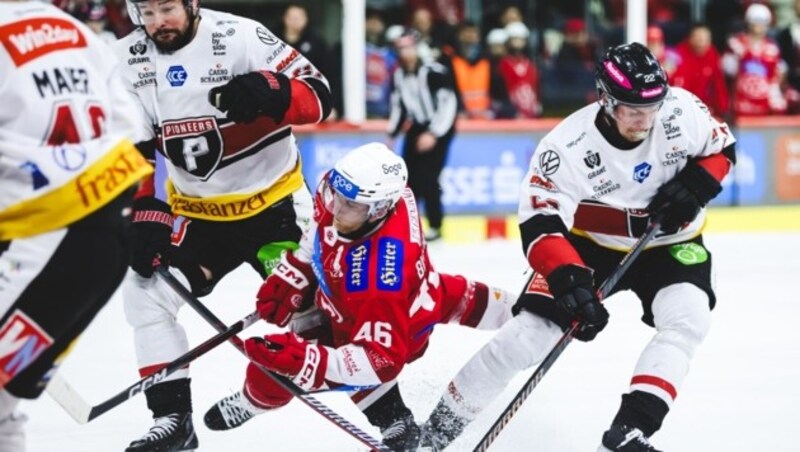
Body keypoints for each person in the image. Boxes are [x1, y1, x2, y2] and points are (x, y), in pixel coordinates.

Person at [418, 42, 737, 452]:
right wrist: (569, 280)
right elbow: (539, 223)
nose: (646, 119)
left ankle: (630, 430)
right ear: (605, 100)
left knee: (688, 319)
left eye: (653, 106)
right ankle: (430, 438)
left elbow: (721, 148)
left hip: (671, 242)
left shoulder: (680, 110)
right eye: (632, 109)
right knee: (526, 337)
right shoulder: (566, 147)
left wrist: (698, 183)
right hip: (590, 248)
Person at [114, 0, 335, 450]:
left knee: (316, 318)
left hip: (274, 211)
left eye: (167, 9)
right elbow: (131, 146)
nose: (158, 23)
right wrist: (143, 208)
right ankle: (174, 420)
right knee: (144, 296)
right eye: (147, 13)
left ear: (192, 3)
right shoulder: (126, 58)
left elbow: (321, 96)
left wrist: (275, 90)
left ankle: (385, 416)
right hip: (199, 217)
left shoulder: (242, 36)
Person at [203, 143, 515, 451]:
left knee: (270, 372)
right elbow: (322, 219)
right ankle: (525, 310)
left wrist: (309, 361)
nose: (336, 209)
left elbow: (381, 361)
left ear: (379, 209)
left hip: (393, 329)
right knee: (465, 299)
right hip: (416, 292)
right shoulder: (355, 190)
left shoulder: (380, 280)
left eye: (349, 206)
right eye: (337, 197)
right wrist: (298, 267)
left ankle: (253, 401)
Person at [0, 0, 151, 449]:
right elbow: (130, 128)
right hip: (101, 239)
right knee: (4, 403)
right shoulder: (80, 34)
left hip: (45, 238)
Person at [387, 30, 457, 242]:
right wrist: (392, 134)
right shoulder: (399, 75)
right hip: (416, 128)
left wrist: (433, 134)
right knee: (408, 180)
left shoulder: (434, 72)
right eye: (401, 48)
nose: (406, 52)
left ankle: (436, 225)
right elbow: (398, 107)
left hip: (439, 130)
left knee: (429, 178)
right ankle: (409, 225)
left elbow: (449, 105)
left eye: (409, 47)